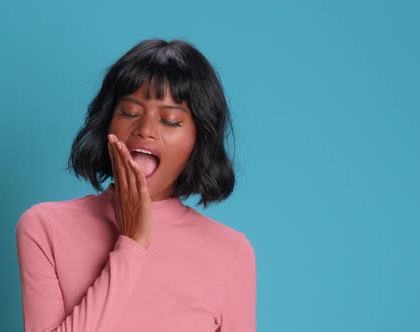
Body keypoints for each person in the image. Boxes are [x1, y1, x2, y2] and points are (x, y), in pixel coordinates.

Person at [15, 39, 256, 332]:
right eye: (129, 113)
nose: (145, 130)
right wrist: (131, 245)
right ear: (107, 124)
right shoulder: (45, 227)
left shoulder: (231, 252)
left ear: (199, 140)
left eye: (170, 120)